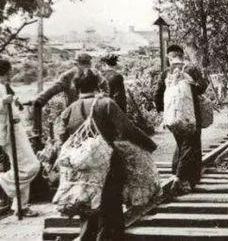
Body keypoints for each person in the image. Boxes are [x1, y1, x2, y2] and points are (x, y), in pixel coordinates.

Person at [57, 68, 156, 240]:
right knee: (111, 209)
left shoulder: (70, 109)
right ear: (97, 84)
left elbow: (62, 137)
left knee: (88, 207)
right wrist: (149, 144)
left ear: (77, 87)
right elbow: (127, 129)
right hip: (108, 162)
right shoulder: (105, 104)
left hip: (82, 166)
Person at [155, 45, 208, 194]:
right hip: (191, 115)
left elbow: (157, 94)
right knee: (191, 146)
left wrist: (163, 111)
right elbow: (203, 87)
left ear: (169, 58)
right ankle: (182, 179)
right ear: (182, 56)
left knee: (181, 145)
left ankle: (178, 176)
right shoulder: (191, 69)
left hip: (172, 116)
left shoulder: (165, 73)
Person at [0, 59, 41, 217]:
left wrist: (14, 103)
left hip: (16, 127)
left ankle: (21, 206)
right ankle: (3, 180)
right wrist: (3, 102)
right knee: (31, 166)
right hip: (8, 130)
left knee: (21, 166)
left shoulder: (5, 86)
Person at [33, 53, 107, 110]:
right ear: (77, 64)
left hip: (92, 110)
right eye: (82, 64)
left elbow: (105, 88)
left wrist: (102, 95)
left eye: (86, 64)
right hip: (76, 111)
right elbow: (52, 89)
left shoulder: (95, 74)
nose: (84, 67)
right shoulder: (68, 76)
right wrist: (39, 100)